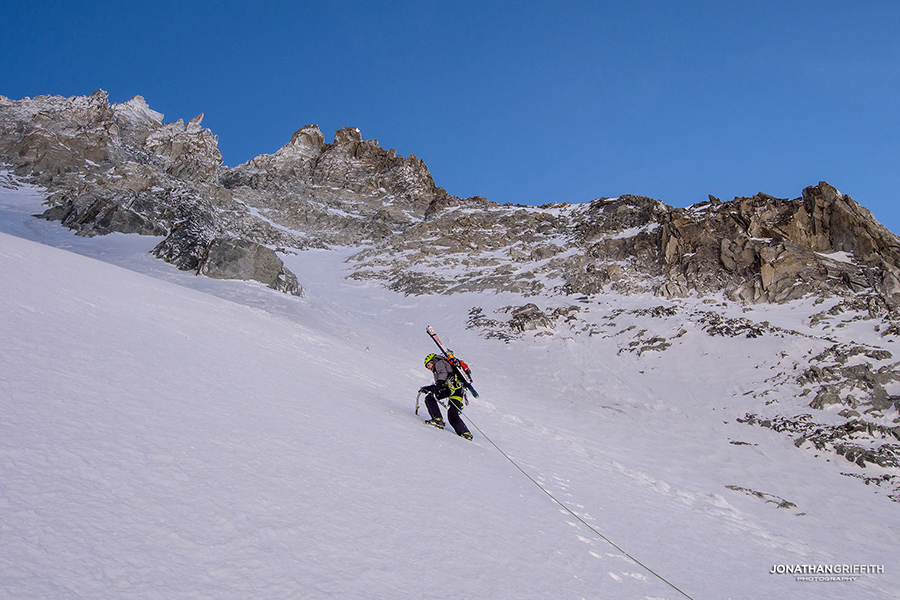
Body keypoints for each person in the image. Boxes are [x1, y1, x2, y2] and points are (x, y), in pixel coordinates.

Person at [420, 353, 473, 440]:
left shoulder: (439, 363)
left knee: (430, 398)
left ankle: (438, 420)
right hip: (458, 390)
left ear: (432, 361)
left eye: (428, 365)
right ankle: (465, 433)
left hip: (451, 388)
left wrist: (432, 388)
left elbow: (442, 376)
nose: (429, 368)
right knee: (452, 415)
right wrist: (432, 387)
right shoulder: (443, 364)